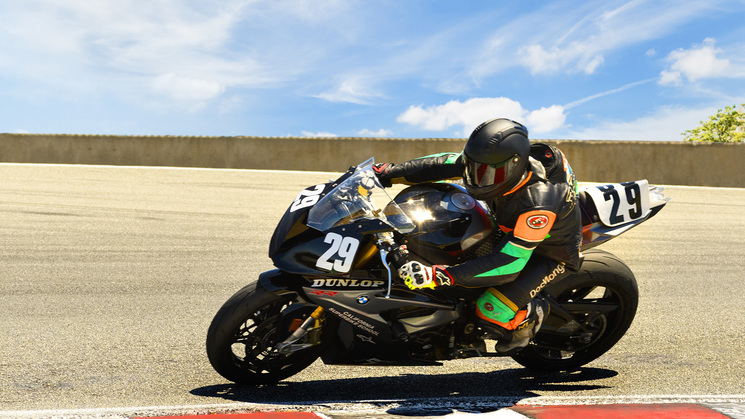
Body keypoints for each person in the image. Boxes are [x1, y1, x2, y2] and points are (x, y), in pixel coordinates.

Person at [374, 118, 582, 354]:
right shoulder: (493, 162)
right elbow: (441, 163)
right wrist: (387, 172)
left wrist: (440, 276)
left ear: (515, 165)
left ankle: (531, 315)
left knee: (489, 309)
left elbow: (509, 263)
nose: (479, 179)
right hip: (510, 227)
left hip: (550, 253)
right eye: (474, 168)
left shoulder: (538, 205)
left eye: (490, 174)